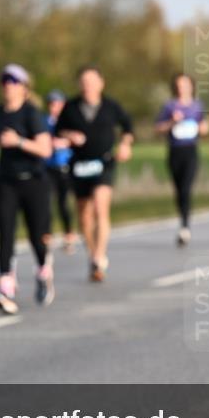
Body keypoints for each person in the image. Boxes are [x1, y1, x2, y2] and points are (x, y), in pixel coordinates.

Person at [0, 64, 54, 311]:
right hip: (6, 181)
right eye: (4, 80)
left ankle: (43, 272)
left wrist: (18, 141)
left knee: (37, 237)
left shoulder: (32, 114)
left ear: (24, 87)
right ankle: (6, 287)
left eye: (13, 81)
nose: (7, 85)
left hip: (35, 182)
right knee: (5, 234)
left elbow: (45, 149)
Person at [55, 65, 134, 282]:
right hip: (79, 164)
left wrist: (125, 145)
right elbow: (57, 131)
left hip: (104, 162)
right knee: (84, 214)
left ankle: (99, 256)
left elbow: (128, 127)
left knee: (100, 207)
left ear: (101, 83)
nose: (88, 86)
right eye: (84, 82)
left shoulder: (111, 106)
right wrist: (69, 135)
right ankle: (92, 255)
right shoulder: (70, 107)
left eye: (92, 81)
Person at [155, 73, 209, 246]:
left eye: (185, 85)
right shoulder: (169, 106)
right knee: (179, 190)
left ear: (191, 86)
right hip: (174, 151)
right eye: (179, 85)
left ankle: (185, 226)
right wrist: (172, 121)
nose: (182, 88)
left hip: (191, 150)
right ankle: (183, 219)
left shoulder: (197, 106)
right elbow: (159, 128)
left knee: (186, 188)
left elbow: (204, 126)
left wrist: (203, 128)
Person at [43, 89, 78, 255]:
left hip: (65, 166)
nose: (54, 107)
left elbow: (78, 140)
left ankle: (69, 234)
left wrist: (64, 141)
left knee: (64, 202)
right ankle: (47, 235)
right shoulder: (45, 121)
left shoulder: (70, 121)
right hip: (48, 167)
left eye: (57, 103)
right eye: (51, 104)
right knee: (47, 201)